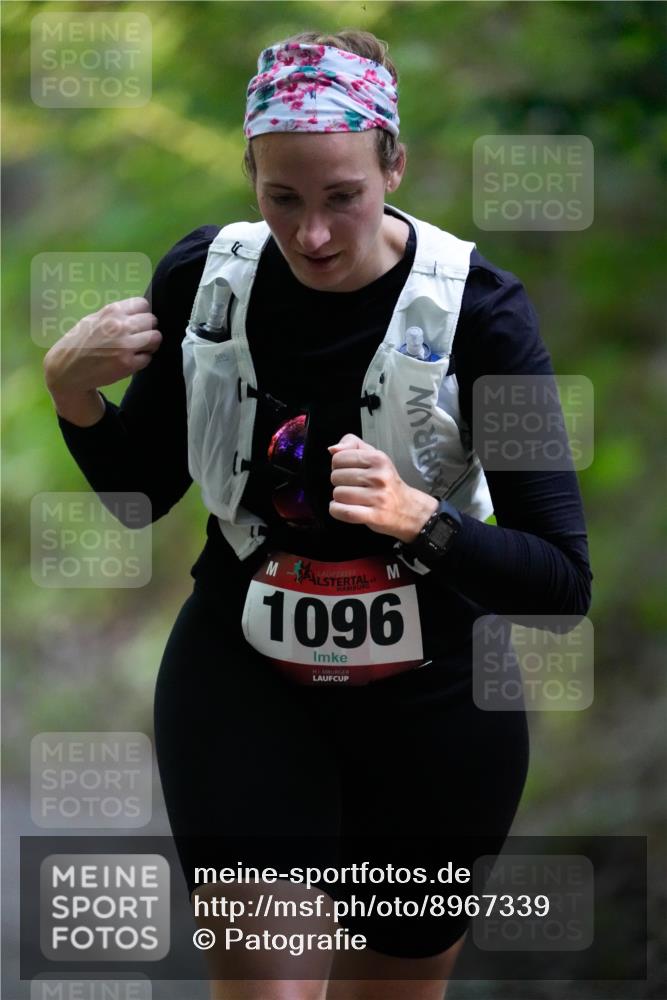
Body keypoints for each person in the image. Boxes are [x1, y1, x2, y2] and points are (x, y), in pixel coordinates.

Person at [43, 28, 593, 1000]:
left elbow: (559, 581)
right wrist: (72, 394)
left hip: (437, 697)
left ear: (395, 164)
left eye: (343, 197)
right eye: (282, 198)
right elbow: (141, 499)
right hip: (244, 676)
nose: (314, 236)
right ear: (249, 175)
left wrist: (424, 520)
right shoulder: (204, 282)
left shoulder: (484, 316)